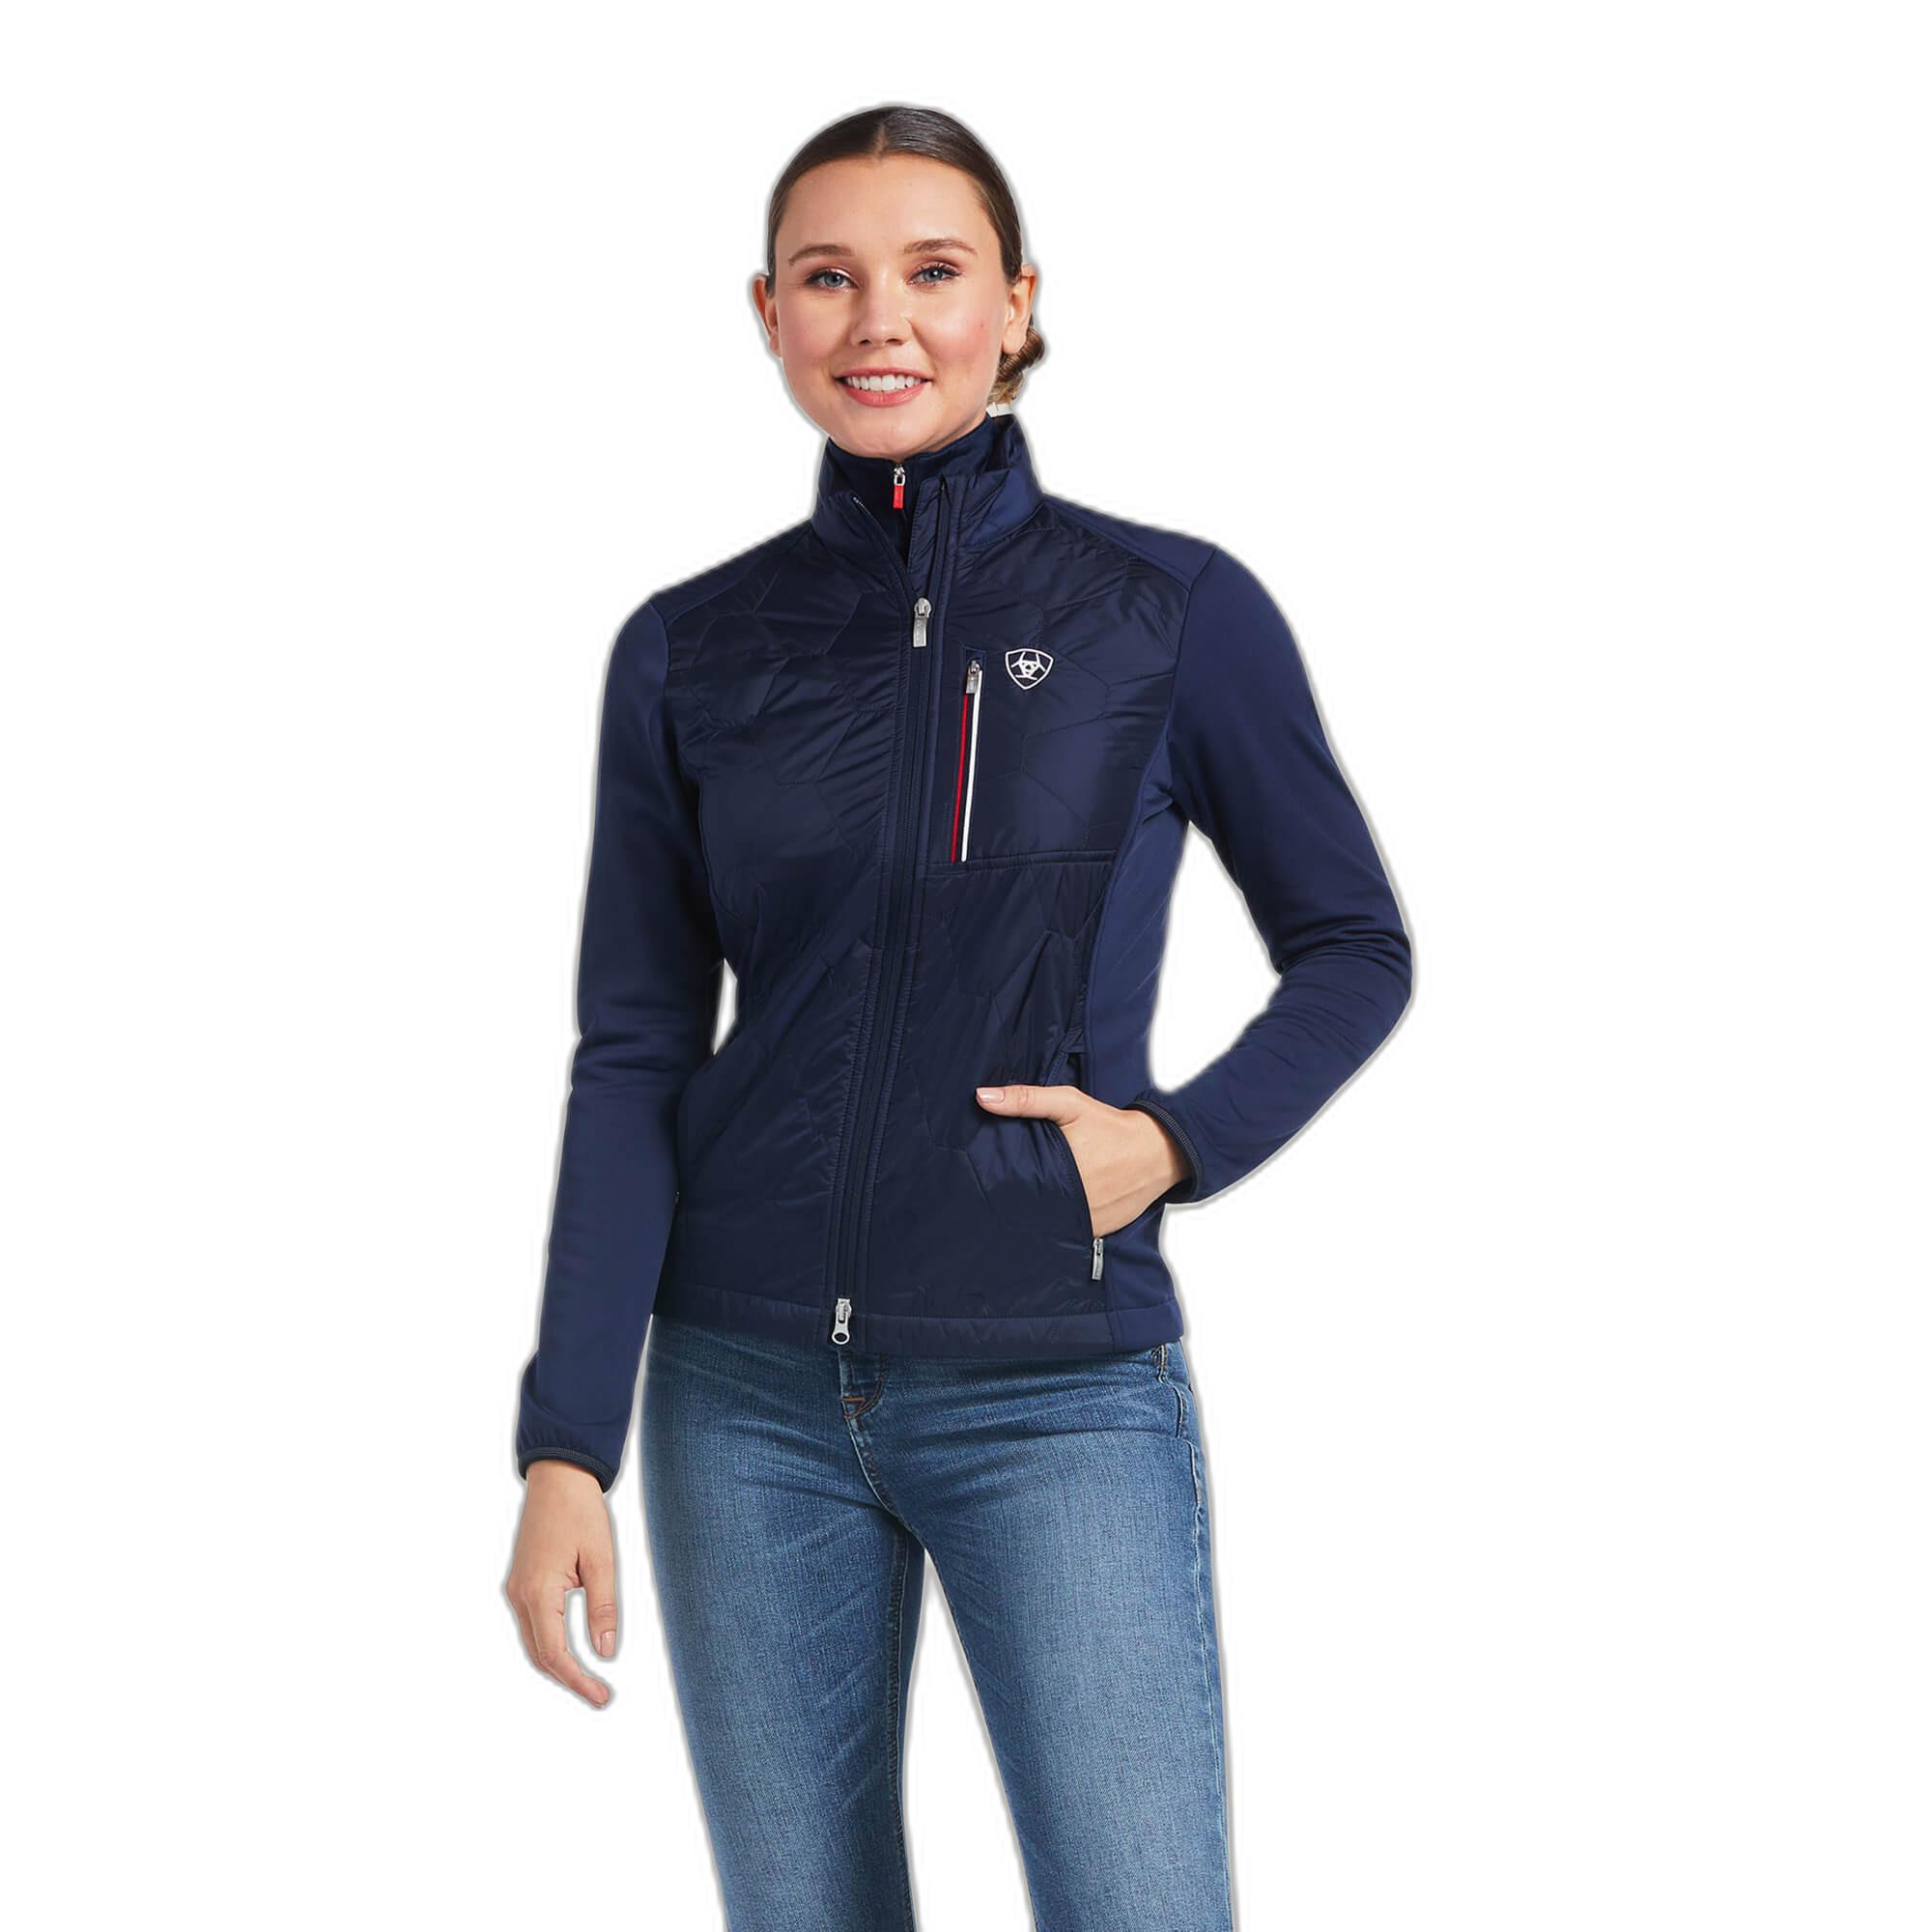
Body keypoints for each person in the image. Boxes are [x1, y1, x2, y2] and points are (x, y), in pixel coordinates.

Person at [505, 102, 1412, 1932]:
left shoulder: (1167, 612)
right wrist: (565, 1440)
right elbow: (635, 1050)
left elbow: (1352, 945)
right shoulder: (691, 648)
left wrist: (1176, 1145)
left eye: (933, 272)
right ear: (766, 312)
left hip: (1055, 1390)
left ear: (1018, 304)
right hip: (740, 1398)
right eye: (827, 278)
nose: (880, 322)